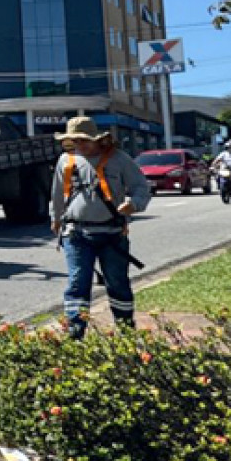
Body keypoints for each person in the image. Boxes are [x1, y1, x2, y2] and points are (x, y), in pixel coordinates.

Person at [49, 115, 153, 338]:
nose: (80, 145)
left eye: (84, 140)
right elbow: (57, 194)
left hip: (112, 235)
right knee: (78, 283)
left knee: (117, 282)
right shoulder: (65, 161)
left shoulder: (119, 159)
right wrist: (56, 219)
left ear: (97, 139)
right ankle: (75, 333)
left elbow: (141, 188)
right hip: (75, 234)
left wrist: (133, 204)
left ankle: (125, 331)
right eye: (75, 141)